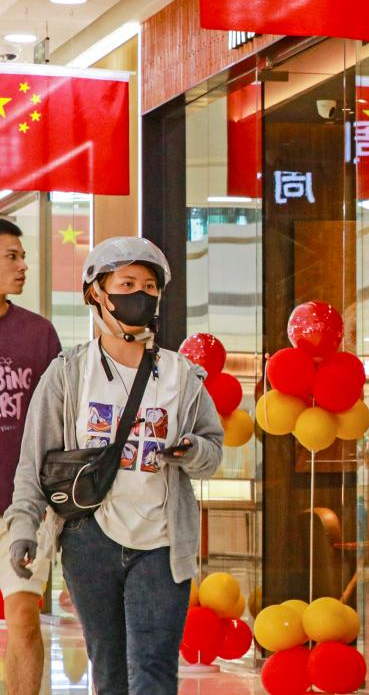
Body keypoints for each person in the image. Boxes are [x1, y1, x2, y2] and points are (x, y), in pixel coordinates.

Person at [4, 236, 224, 695]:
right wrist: (24, 526)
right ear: (97, 294)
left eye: (149, 286)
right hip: (89, 539)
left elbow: (212, 451)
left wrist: (192, 452)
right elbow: (33, 463)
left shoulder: (183, 375)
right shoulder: (68, 373)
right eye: (126, 284)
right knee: (109, 672)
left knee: (153, 670)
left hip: (162, 543)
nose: (140, 294)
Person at [0, 218, 61, 695]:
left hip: (23, 505)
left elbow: (58, 422)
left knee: (23, 618)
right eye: (11, 257)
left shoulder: (39, 335)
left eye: (23, 256)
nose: (23, 266)